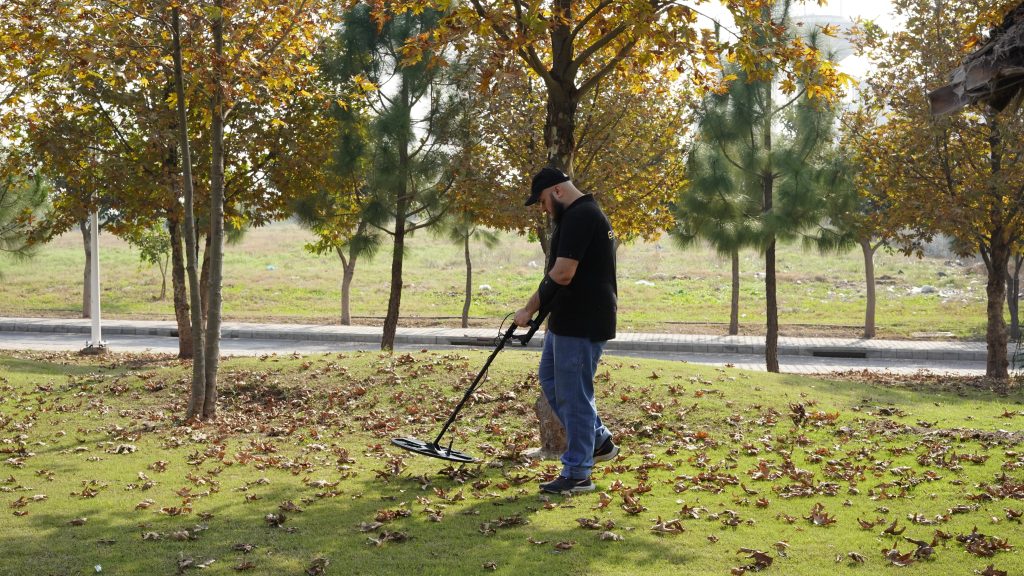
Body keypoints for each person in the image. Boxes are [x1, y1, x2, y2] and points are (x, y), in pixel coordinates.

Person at [515, 166, 619, 494]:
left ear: (557, 191)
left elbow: (562, 273)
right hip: (567, 319)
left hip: (582, 321)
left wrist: (528, 309)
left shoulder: (581, 216)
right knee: (550, 379)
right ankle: (598, 440)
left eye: (543, 201)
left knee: (574, 396)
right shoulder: (578, 215)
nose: (544, 209)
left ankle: (577, 473)